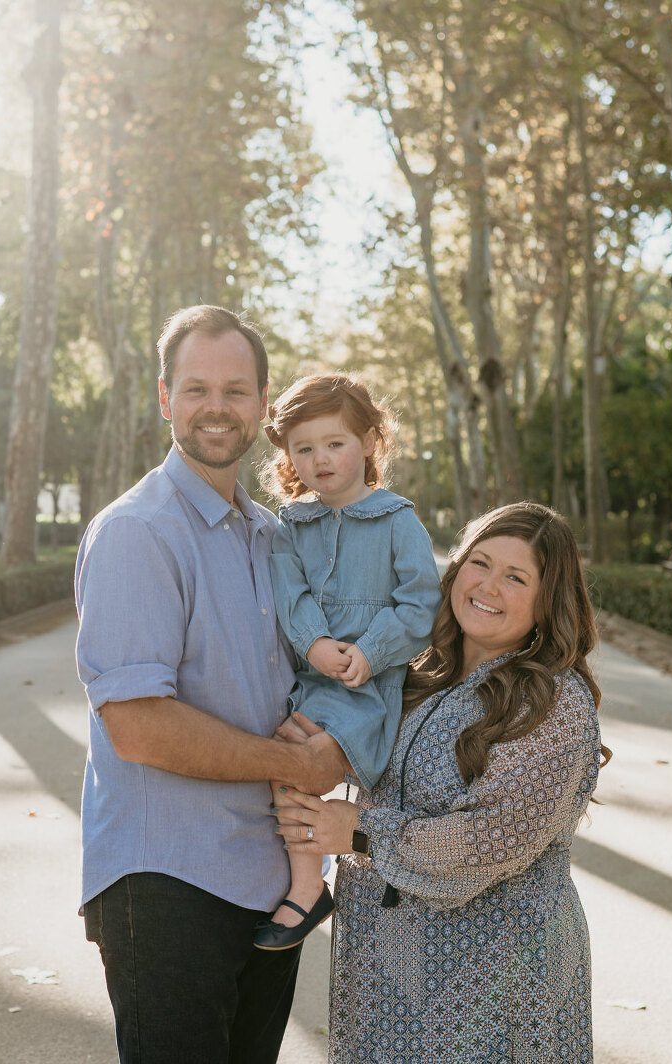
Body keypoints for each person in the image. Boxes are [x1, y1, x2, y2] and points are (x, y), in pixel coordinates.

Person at [73, 304, 351, 1064]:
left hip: (267, 883)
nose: (216, 407)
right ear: (165, 399)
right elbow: (138, 725)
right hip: (166, 882)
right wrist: (297, 765)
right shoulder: (139, 532)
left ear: (262, 407)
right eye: (196, 389)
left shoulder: (273, 536)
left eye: (236, 390)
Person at [272, 501, 608, 1063]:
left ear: (548, 601)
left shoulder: (553, 701)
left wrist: (356, 831)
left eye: (516, 577)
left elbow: (489, 839)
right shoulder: (415, 674)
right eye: (479, 563)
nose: (489, 586)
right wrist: (318, 748)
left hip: (496, 988)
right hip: (384, 976)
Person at [251, 373, 441, 951]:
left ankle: (307, 888)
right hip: (309, 681)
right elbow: (290, 594)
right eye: (303, 449)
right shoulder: (291, 525)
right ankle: (310, 884)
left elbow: (420, 601)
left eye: (334, 443)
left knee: (296, 754)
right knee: (284, 755)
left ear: (368, 442)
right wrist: (312, 643)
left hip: (367, 689)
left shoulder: (396, 520)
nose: (320, 459)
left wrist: (369, 650)